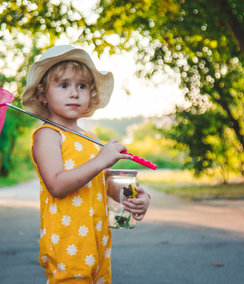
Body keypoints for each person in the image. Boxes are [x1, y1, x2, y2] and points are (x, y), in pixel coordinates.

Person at [22, 45, 150, 283]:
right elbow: (57, 185)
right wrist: (102, 159)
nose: (74, 93)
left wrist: (133, 196)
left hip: (98, 242)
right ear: (43, 95)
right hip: (67, 244)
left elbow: (106, 184)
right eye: (64, 85)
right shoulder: (48, 135)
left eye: (82, 86)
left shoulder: (90, 139)